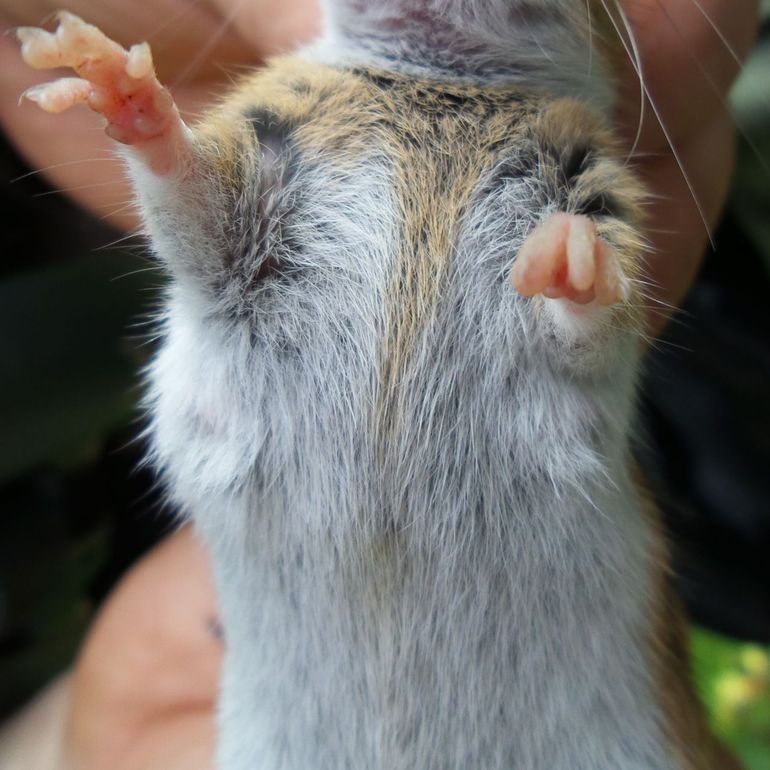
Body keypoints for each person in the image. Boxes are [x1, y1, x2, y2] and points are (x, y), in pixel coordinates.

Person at [0, 1, 759, 768]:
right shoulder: (295, 95)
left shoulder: (573, 149)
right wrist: (156, 140)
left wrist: (580, 305)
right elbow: (221, 267)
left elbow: (578, 385)